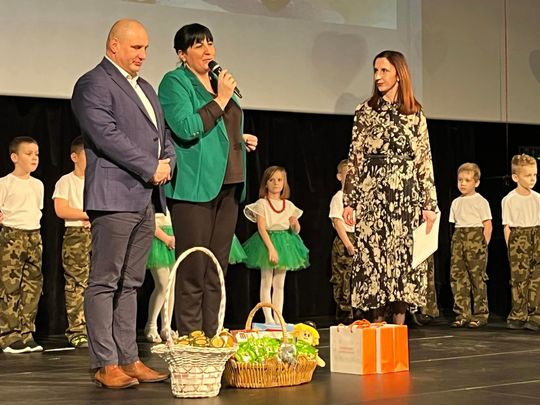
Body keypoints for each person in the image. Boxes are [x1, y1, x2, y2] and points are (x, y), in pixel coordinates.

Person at [71, 19, 175, 389]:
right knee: (105, 281)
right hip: (114, 195)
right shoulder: (93, 83)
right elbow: (106, 135)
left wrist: (167, 163)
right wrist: (150, 166)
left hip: (144, 197)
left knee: (131, 282)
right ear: (114, 45)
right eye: (135, 47)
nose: (142, 55)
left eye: (146, 48)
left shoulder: (145, 87)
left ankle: (129, 358)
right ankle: (106, 362)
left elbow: (162, 135)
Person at [158, 23, 257, 337]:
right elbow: (186, 127)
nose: (207, 50)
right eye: (198, 45)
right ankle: (191, 337)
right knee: (194, 266)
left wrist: (239, 138)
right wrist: (221, 99)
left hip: (229, 183)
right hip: (195, 186)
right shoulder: (175, 82)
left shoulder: (217, 80)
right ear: (182, 54)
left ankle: (213, 335)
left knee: (216, 267)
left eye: (210, 43)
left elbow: (219, 128)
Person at [342, 50, 438, 325]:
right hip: (372, 195)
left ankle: (397, 332)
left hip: (405, 196)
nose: (378, 76)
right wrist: (350, 200)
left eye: (384, 70)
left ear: (399, 74)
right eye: (375, 70)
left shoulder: (414, 113)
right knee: (373, 260)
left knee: (402, 262)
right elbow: (355, 157)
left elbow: (424, 159)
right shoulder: (365, 111)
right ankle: (375, 328)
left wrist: (429, 205)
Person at [242, 166, 310, 324]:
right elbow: (261, 228)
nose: (276, 183)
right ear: (266, 183)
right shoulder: (262, 204)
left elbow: (296, 230)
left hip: (285, 243)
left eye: (279, 180)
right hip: (267, 242)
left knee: (279, 283)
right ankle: (268, 318)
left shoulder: (289, 205)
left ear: (284, 182)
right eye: (272, 180)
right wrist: (271, 249)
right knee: (266, 280)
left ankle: (278, 317)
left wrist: (295, 223)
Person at [0, 136, 44, 354]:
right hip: (12, 235)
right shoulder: (4, 183)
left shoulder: (38, 184)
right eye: (28, 154)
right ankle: (9, 335)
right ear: (14, 157)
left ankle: (26, 332)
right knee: (10, 286)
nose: (34, 158)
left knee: (32, 286)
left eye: (36, 154)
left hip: (34, 235)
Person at [52, 136, 92, 348]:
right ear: (74, 157)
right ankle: (77, 330)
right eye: (87, 155)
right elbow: (61, 209)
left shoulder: (96, 180)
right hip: (76, 234)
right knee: (77, 283)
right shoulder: (65, 181)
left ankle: (96, 329)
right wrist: (87, 215)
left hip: (97, 233)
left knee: (98, 282)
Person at [448, 163, 492, 328]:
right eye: (460, 180)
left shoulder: (481, 201)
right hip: (459, 239)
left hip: (475, 240)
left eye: (467, 180)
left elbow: (487, 225)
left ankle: (480, 314)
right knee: (458, 277)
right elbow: (454, 225)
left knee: (477, 278)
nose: (463, 183)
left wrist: (483, 246)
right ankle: (462, 313)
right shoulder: (455, 202)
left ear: (476, 182)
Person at [502, 154, 540, 331]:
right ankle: (518, 314)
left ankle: (535, 314)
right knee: (519, 279)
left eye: (535, 175)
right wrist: (510, 247)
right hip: (519, 237)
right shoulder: (509, 199)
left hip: (536, 234)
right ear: (516, 177)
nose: (532, 179)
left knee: (536, 277)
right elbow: (507, 227)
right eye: (528, 175)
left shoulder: (538, 198)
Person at [329, 159, 356, 324]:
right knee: (343, 277)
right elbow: (337, 221)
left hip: (358, 238)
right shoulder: (338, 197)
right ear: (340, 177)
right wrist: (347, 243)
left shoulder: (357, 198)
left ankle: (358, 310)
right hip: (345, 239)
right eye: (348, 174)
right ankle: (344, 312)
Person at [143, 210, 176, 343]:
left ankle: (166, 326)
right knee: (163, 284)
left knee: (171, 285)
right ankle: (151, 325)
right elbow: (148, 221)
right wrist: (166, 239)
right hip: (157, 237)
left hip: (171, 234)